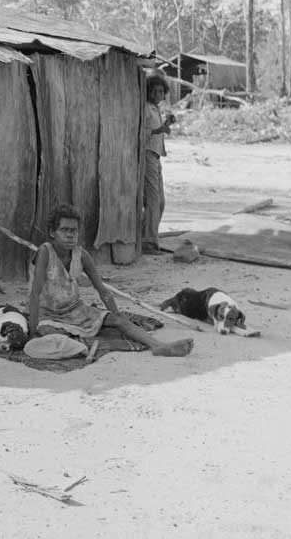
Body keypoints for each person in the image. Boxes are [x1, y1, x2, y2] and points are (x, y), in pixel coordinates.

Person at [28, 205, 193, 357]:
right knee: (50, 333)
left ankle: (158, 346)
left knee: (120, 321)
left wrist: (115, 314)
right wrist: (33, 330)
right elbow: (35, 294)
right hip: (49, 314)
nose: (70, 235)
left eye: (74, 230)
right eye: (64, 230)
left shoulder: (81, 255)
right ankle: (81, 346)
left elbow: (102, 291)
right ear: (52, 233)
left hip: (76, 311)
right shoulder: (45, 252)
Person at [142, 75, 174, 253]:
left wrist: (165, 126)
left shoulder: (155, 109)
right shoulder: (146, 109)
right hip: (147, 155)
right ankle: (148, 242)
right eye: (153, 90)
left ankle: (145, 234)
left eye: (160, 91)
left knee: (160, 202)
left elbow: (156, 132)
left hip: (156, 156)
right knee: (154, 201)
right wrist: (161, 129)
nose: (156, 93)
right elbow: (142, 132)